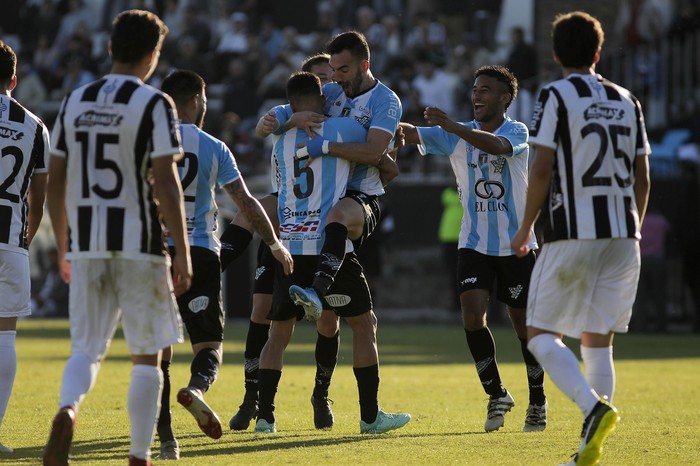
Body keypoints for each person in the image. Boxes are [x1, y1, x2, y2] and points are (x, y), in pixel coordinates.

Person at [43, 10, 193, 466]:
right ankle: (139, 454)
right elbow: (166, 183)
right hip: (140, 243)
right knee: (147, 357)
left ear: (110, 48)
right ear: (153, 55)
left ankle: (68, 409)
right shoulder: (154, 103)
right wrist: (182, 253)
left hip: (87, 243)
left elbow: (56, 178)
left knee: (85, 349)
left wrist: (63, 242)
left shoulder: (75, 100)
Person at [511, 11, 650, 466]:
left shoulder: (555, 93)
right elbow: (642, 176)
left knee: (540, 336)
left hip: (573, 231)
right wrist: (634, 227)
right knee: (597, 341)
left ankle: (594, 410)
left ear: (555, 54)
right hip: (624, 233)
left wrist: (527, 225)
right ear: (598, 51)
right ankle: (591, 449)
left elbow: (543, 166)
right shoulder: (628, 99)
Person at [254, 70, 410, 435]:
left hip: (289, 248)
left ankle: (265, 417)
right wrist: (396, 139)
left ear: (291, 104)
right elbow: (377, 151)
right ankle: (370, 417)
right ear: (323, 100)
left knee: (277, 335)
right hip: (327, 246)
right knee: (363, 324)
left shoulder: (279, 141)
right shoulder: (342, 129)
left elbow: (268, 127)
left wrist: (286, 119)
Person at [399, 65, 547, 433]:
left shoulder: (516, 130)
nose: (477, 95)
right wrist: (382, 128)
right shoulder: (455, 133)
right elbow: (409, 133)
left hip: (517, 245)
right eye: (475, 89)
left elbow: (495, 146)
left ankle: (538, 399)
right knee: (471, 315)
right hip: (474, 243)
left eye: (486, 90)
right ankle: (496, 393)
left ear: (505, 98)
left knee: (523, 326)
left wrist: (451, 127)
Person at [154, 70, 293, 459]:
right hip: (200, 251)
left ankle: (166, 439)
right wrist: (275, 244)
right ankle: (196, 389)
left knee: (159, 352)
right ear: (198, 101)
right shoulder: (214, 146)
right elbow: (246, 203)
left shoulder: (147, 143)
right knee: (209, 346)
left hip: (155, 253)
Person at [220, 53, 340, 431]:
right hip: (283, 227)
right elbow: (260, 127)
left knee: (327, 321)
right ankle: (251, 399)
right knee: (261, 312)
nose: (324, 84)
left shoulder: (340, 114)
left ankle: (321, 396)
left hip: (322, 228)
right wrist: (292, 119)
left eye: (328, 77)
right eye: (317, 77)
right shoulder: (286, 110)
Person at [0, 40, 49, 454]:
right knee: (4, 338)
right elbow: (40, 192)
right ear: (13, 80)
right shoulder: (34, 125)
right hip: (10, 240)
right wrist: (24, 241)